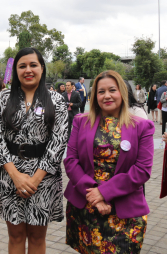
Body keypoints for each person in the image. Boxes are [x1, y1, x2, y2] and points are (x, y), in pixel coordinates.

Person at [64, 70, 154, 254]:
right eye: (101, 91)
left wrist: (104, 192)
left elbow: (142, 170)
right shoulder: (80, 122)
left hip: (125, 210)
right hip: (87, 206)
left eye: (112, 90)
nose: (107, 96)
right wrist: (95, 197)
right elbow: (71, 161)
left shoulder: (141, 126)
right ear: (94, 96)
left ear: (122, 91)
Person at [0, 47, 68, 254]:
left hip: (43, 177)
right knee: (15, 236)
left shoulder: (57, 100)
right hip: (9, 175)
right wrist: (15, 175)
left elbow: (59, 142)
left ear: (42, 68)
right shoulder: (2, 98)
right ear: (16, 70)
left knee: (37, 237)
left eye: (33, 65)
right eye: (22, 66)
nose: (28, 70)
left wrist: (34, 180)